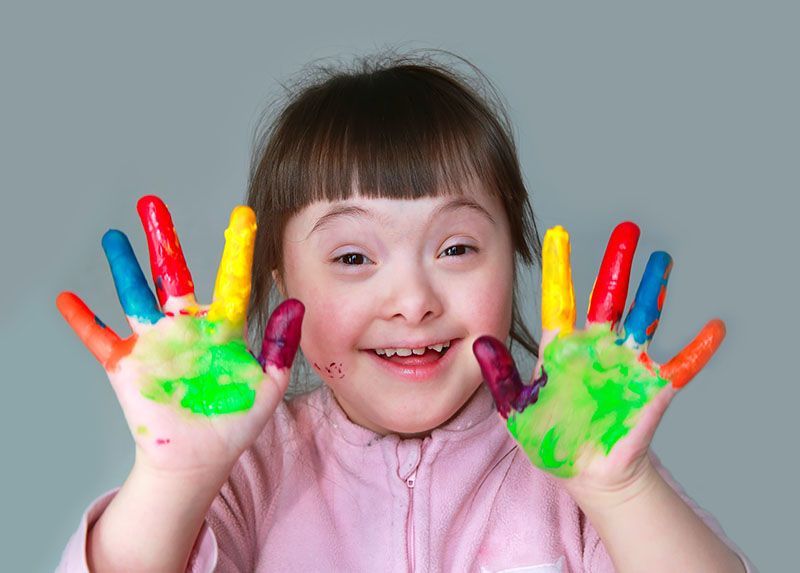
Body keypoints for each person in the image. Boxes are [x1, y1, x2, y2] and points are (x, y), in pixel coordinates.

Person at [55, 50, 754, 572]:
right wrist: (175, 481)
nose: (414, 301)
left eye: (455, 247)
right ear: (281, 280)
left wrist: (622, 489)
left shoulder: (574, 463)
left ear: (513, 260)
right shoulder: (246, 468)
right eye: (353, 258)